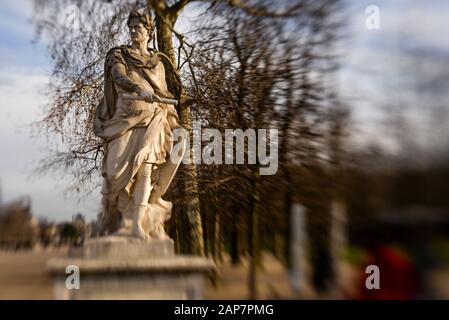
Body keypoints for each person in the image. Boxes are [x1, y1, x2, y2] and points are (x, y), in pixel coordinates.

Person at [94, 9, 183, 241]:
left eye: (139, 28)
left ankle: (137, 225)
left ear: (148, 32)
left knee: (145, 170)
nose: (134, 31)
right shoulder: (119, 55)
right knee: (113, 172)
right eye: (131, 27)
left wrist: (167, 111)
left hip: (153, 120)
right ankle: (118, 216)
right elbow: (118, 76)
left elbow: (162, 91)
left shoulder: (158, 64)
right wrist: (137, 88)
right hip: (125, 121)